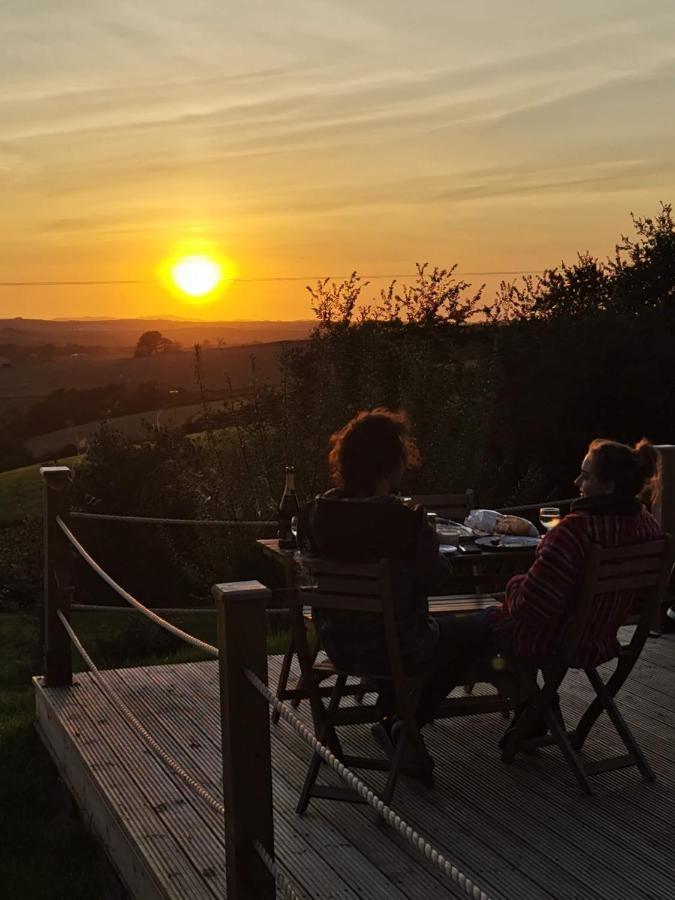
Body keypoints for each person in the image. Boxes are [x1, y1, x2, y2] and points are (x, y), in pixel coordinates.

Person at [298, 408, 491, 753]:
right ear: (390, 464)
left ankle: (393, 714)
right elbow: (435, 579)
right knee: (480, 628)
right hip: (400, 646)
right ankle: (405, 723)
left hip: (339, 644)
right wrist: (428, 539)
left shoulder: (315, 514)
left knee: (428, 631)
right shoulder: (404, 521)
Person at [490, 438, 663, 743]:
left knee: (489, 627)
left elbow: (533, 609)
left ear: (608, 486)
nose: (577, 481)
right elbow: (642, 599)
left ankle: (534, 706)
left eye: (586, 475)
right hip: (603, 637)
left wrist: (514, 585)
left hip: (562, 640)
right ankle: (535, 709)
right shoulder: (649, 528)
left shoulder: (574, 532)